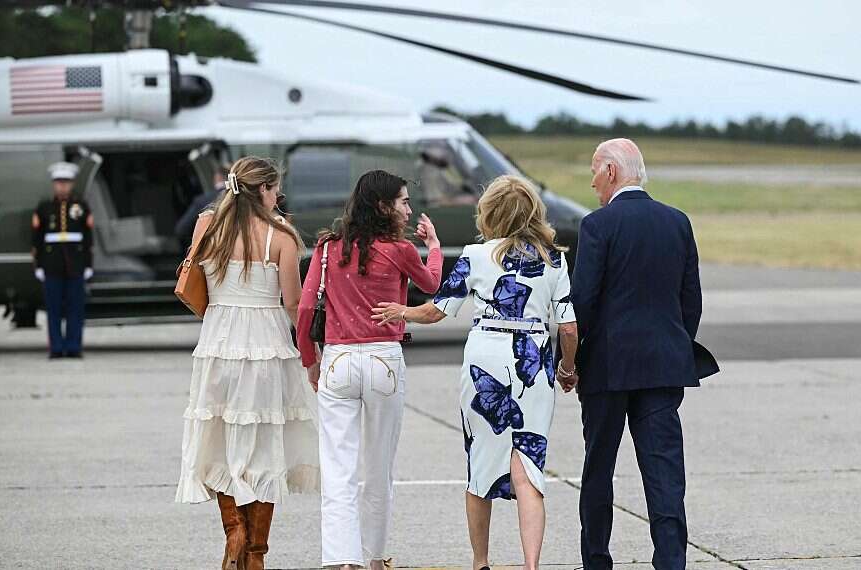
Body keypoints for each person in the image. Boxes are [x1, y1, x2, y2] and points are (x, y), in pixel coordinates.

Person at [372, 174, 579, 570]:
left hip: (485, 355)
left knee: (481, 462)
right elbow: (568, 327)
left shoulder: (475, 255)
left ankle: (481, 562)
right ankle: (531, 564)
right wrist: (567, 368)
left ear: (490, 212)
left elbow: (438, 310)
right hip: (532, 365)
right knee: (529, 467)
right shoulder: (554, 259)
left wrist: (402, 312)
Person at [174, 156, 320, 570]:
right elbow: (293, 303)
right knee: (264, 450)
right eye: (275, 190)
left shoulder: (208, 226)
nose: (279, 197)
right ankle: (255, 554)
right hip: (265, 347)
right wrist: (312, 352)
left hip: (218, 343)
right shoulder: (282, 236)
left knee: (221, 441)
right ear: (263, 190)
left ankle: (233, 529)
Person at [296, 169, 443, 570]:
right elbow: (431, 285)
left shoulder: (328, 249)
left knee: (338, 467)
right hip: (384, 360)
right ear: (383, 206)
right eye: (403, 201)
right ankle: (375, 557)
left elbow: (306, 309)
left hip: (339, 360)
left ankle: (341, 559)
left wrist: (311, 360)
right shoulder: (399, 250)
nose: (409, 209)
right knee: (378, 469)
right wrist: (434, 246)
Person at [571, 139, 702, 570]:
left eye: (594, 171)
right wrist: (672, 347)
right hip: (663, 369)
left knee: (598, 475)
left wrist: (568, 361)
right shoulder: (678, 222)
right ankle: (670, 563)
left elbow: (583, 304)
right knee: (665, 477)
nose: (591, 181)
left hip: (608, 371)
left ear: (611, 171)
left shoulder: (598, 226)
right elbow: (690, 303)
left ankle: (597, 562)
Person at [31, 161, 94, 359]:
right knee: (54, 309)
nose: (62, 186)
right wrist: (39, 265)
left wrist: (88, 264)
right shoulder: (44, 207)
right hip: (52, 265)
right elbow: (37, 240)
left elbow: (88, 238)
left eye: (66, 182)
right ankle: (56, 347)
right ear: (54, 184)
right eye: (59, 182)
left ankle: (74, 346)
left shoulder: (81, 206)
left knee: (75, 309)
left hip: (75, 265)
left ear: (72, 184)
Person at [176, 166, 229, 250]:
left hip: (212, 252)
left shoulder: (202, 201)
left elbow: (181, 229)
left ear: (216, 177)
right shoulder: (242, 199)